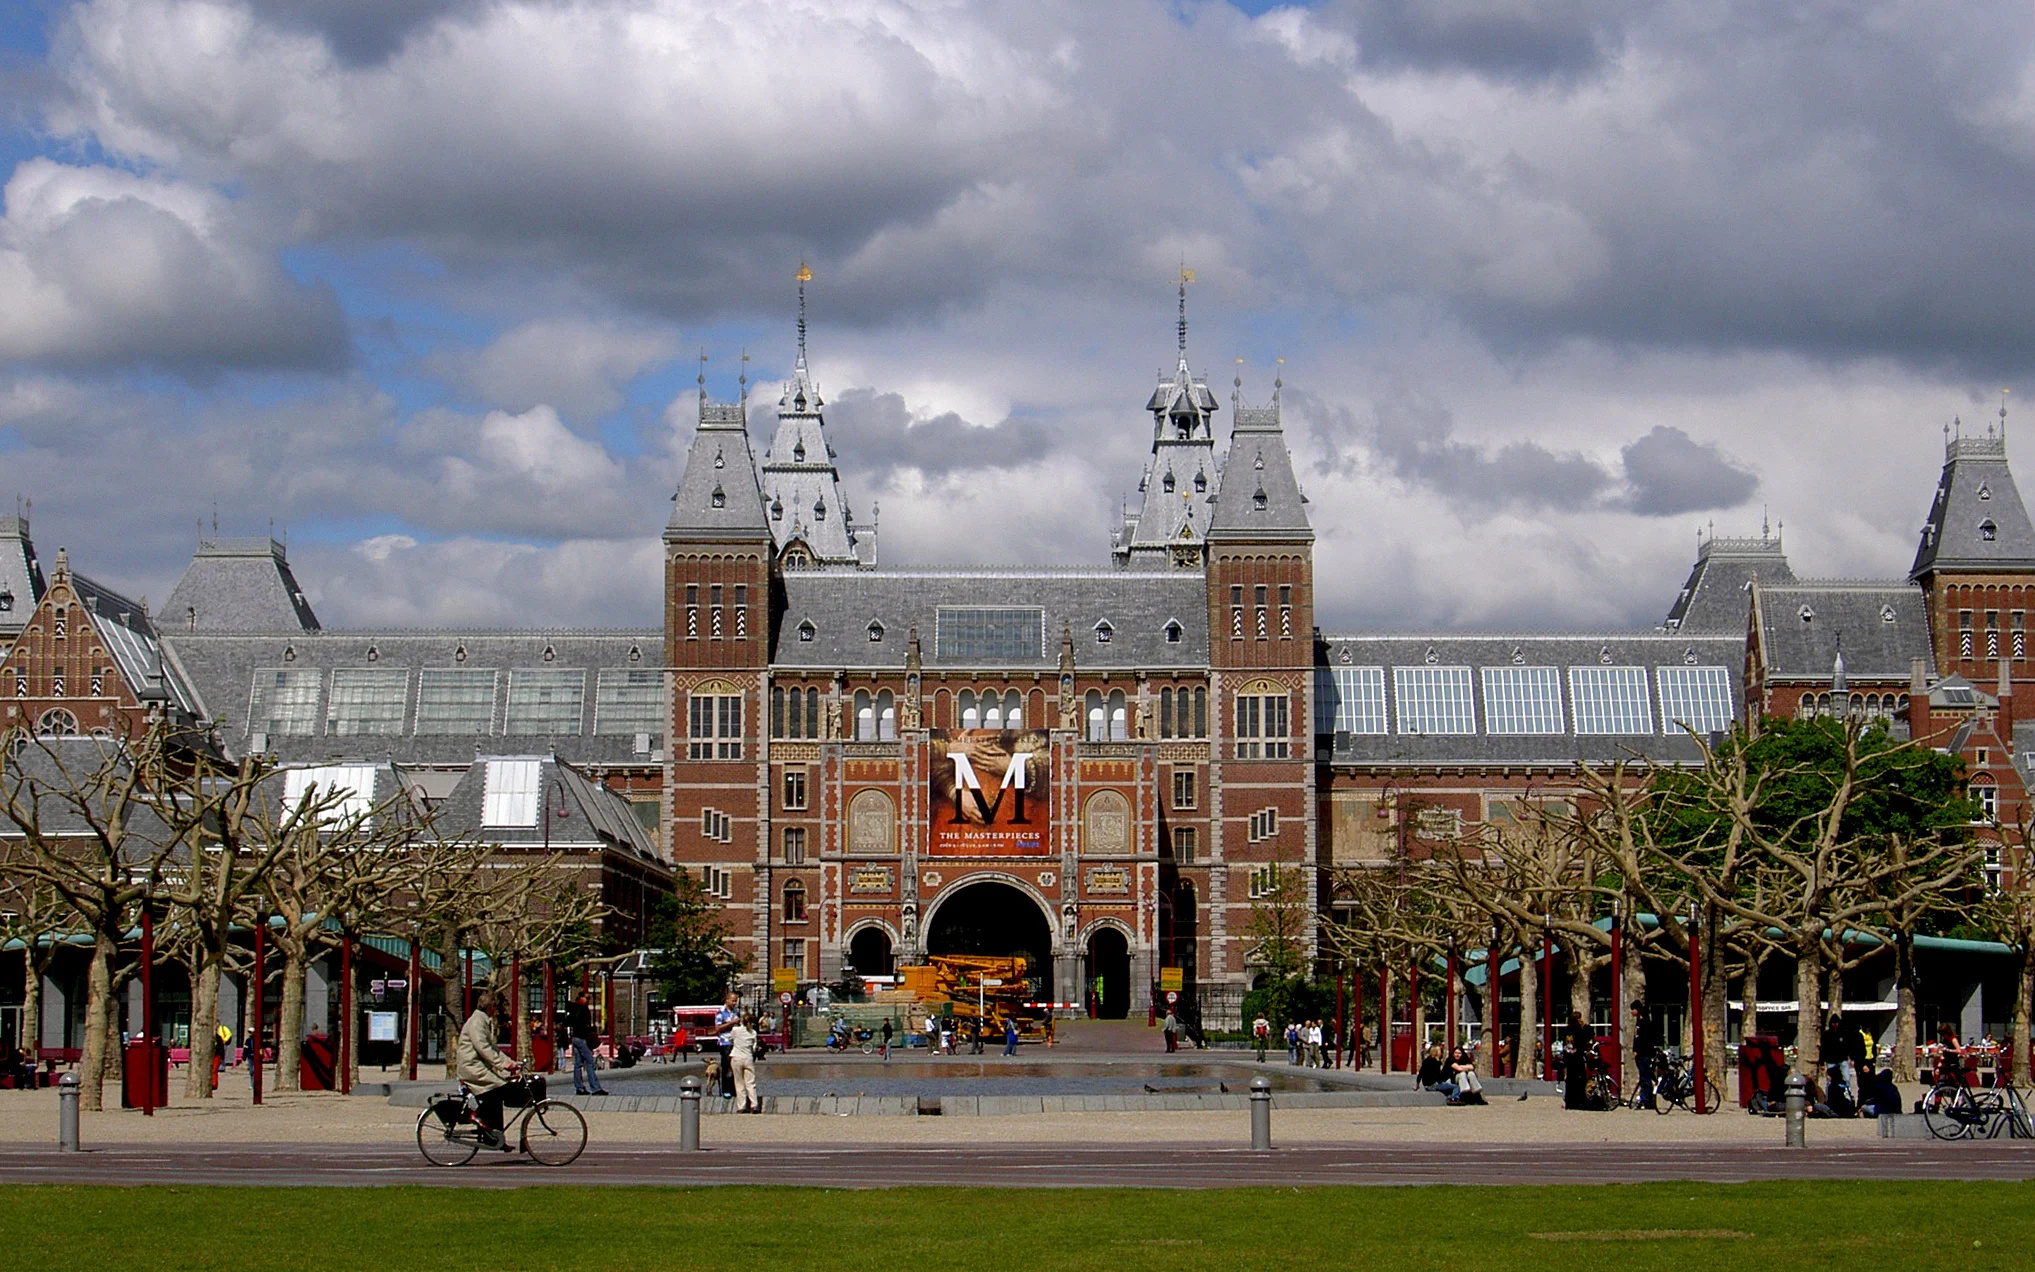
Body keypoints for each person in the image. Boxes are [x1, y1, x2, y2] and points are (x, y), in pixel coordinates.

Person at [456, 990, 518, 1149]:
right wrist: (504, 1065)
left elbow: (493, 1049)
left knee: (496, 1093)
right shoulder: (477, 1022)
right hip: (472, 1067)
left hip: (477, 1066)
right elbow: (484, 1048)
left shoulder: (482, 1020)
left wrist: (510, 1063)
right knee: (498, 1088)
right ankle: (488, 1132)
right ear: (490, 1007)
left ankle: (493, 1133)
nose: (495, 1010)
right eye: (494, 1007)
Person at [563, 991, 607, 1096]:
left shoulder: (573, 1008)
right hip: (583, 1038)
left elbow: (567, 1022)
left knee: (578, 1064)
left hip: (575, 1037)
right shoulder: (584, 1010)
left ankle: (579, 1088)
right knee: (589, 1063)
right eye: (587, 998)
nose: (588, 1000)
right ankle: (595, 1088)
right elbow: (586, 1025)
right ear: (581, 998)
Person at [729, 1014, 760, 1113]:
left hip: (736, 1057)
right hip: (748, 1058)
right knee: (750, 1083)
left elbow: (731, 1040)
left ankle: (741, 1106)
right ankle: (754, 1105)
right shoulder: (753, 1033)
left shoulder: (735, 1030)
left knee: (739, 1083)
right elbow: (754, 1048)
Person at [713, 991, 740, 1099]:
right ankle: (726, 1090)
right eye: (733, 1001)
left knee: (735, 1066)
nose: (734, 1003)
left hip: (735, 1041)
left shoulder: (735, 1011)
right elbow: (717, 1028)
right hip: (725, 1042)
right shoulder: (721, 1012)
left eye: (736, 1001)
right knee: (726, 1066)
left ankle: (734, 1089)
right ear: (727, 1000)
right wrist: (731, 1023)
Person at [1631, 1002, 1658, 1109]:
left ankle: (1646, 1099)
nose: (1631, 1011)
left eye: (1633, 1009)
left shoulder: (1645, 1023)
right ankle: (1646, 1098)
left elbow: (1644, 1039)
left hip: (1644, 1054)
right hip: (1640, 1054)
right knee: (1643, 1077)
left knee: (1645, 1077)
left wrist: (1640, 1050)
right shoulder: (1638, 1022)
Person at [1563, 1012, 1593, 1110]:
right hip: (1577, 1058)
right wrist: (1585, 1026)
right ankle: (1579, 1101)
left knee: (1570, 1081)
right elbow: (1589, 1035)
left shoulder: (1567, 1030)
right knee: (1580, 1080)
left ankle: (1570, 1102)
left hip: (1569, 1058)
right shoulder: (1578, 1030)